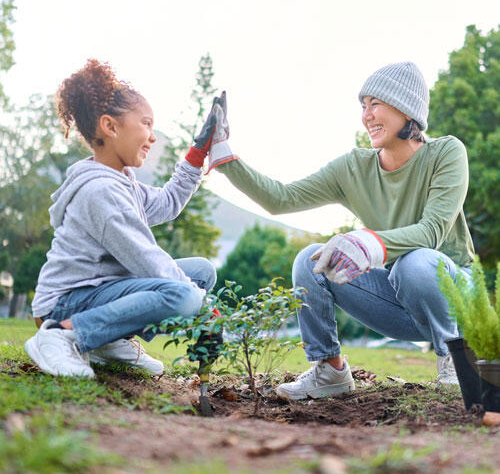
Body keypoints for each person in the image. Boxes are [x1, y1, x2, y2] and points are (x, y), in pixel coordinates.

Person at [209, 61, 474, 399]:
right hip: (398, 299)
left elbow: (432, 231)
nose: (366, 116)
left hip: (452, 298)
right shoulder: (354, 168)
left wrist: (368, 243)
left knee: (415, 263)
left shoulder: (447, 152)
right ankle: (329, 370)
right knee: (311, 260)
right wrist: (226, 159)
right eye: (363, 106)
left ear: (406, 109)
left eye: (375, 104)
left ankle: (458, 361)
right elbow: (281, 198)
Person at [25, 59, 225, 379]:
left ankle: (109, 340)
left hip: (98, 292)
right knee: (185, 293)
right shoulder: (101, 193)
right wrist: (204, 307)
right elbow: (148, 260)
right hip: (64, 305)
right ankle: (62, 336)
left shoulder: (122, 182)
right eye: (146, 123)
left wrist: (197, 155)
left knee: (201, 271)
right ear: (111, 126)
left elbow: (169, 202)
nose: (152, 135)